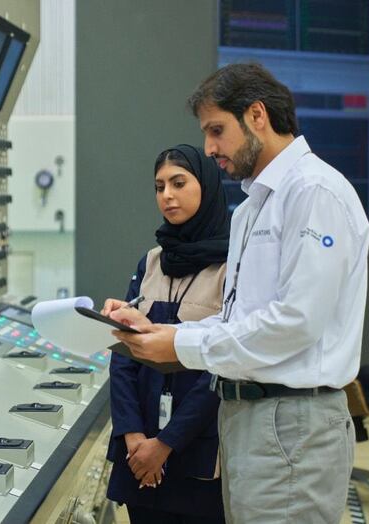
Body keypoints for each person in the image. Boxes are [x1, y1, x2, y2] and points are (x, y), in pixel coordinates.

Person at [110, 63, 369, 523]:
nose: (210, 148)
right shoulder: (252, 208)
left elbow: (296, 323)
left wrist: (180, 343)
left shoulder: (316, 192)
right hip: (245, 418)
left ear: (256, 116)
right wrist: (161, 330)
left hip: (294, 420)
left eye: (216, 131)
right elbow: (237, 320)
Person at [103, 145, 229, 524]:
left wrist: (166, 443)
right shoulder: (152, 262)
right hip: (137, 450)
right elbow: (122, 353)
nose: (167, 196)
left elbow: (221, 369)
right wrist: (133, 437)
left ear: (205, 187)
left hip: (195, 450)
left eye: (178, 183)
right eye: (159, 187)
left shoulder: (232, 267)